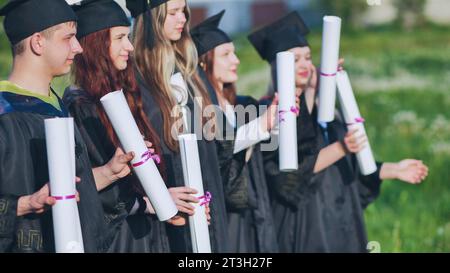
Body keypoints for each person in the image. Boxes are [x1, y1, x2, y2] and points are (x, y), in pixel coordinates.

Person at [249, 11, 429, 252]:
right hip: (304, 227)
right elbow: (287, 180)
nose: (304, 65)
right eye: (295, 59)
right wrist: (342, 147)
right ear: (277, 67)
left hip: (342, 222)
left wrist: (394, 169)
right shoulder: (268, 115)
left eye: (308, 57)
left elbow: (349, 169)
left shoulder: (328, 113)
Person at [0, 0, 128, 252]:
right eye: (68, 37)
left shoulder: (56, 107)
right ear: (38, 42)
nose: (79, 47)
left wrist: (108, 172)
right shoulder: (6, 114)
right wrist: (25, 204)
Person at [127, 0, 228, 252]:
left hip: (208, 202)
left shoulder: (192, 74)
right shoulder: (134, 82)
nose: (182, 19)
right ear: (150, 21)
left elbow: (221, 140)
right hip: (166, 219)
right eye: (172, 12)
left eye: (183, 11)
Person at [191, 10, 279, 253]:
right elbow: (216, 157)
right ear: (203, 61)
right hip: (225, 219)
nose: (236, 60)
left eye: (235, 53)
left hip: (255, 211)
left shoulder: (244, 104)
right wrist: (259, 127)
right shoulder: (199, 111)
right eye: (226, 54)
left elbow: (271, 149)